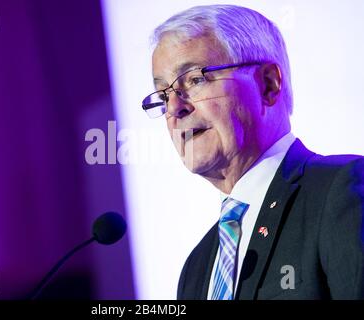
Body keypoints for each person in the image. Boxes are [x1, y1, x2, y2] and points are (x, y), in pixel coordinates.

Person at [141, 4, 364, 300]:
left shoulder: (342, 191)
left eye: (194, 79)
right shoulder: (197, 268)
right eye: (164, 95)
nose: (174, 109)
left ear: (268, 85)